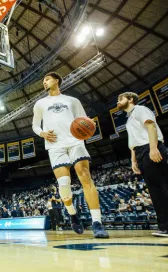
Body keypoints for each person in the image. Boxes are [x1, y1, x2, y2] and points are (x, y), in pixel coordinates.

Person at [32, 72, 109, 238]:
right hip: (54, 145)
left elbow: (83, 119)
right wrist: (43, 134)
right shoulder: (40, 103)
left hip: (75, 141)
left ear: (57, 80)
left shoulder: (73, 101)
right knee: (64, 184)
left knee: (86, 177)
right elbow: (35, 125)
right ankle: (73, 214)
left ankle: (97, 222)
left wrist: (90, 124)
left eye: (47, 79)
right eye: (43, 80)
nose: (44, 82)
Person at [117, 92, 168, 237]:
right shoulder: (129, 119)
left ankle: (167, 227)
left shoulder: (140, 109)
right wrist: (133, 160)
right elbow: (133, 143)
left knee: (157, 189)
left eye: (121, 98)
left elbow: (151, 127)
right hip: (141, 150)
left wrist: (153, 148)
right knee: (163, 187)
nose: (118, 101)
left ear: (130, 99)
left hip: (150, 147)